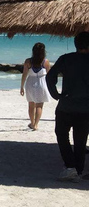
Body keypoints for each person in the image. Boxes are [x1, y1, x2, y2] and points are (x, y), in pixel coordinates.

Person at [46, 31, 89, 182]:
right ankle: (78, 170)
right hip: (85, 108)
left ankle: (70, 166)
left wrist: (56, 95)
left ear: (76, 44)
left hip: (66, 105)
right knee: (80, 140)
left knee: (61, 135)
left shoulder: (66, 58)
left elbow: (50, 77)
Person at [20, 42, 51, 130]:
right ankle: (36, 124)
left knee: (31, 104)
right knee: (39, 105)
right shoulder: (45, 61)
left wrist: (21, 86)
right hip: (42, 83)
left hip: (30, 83)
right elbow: (49, 75)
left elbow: (24, 75)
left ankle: (32, 123)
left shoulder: (28, 61)